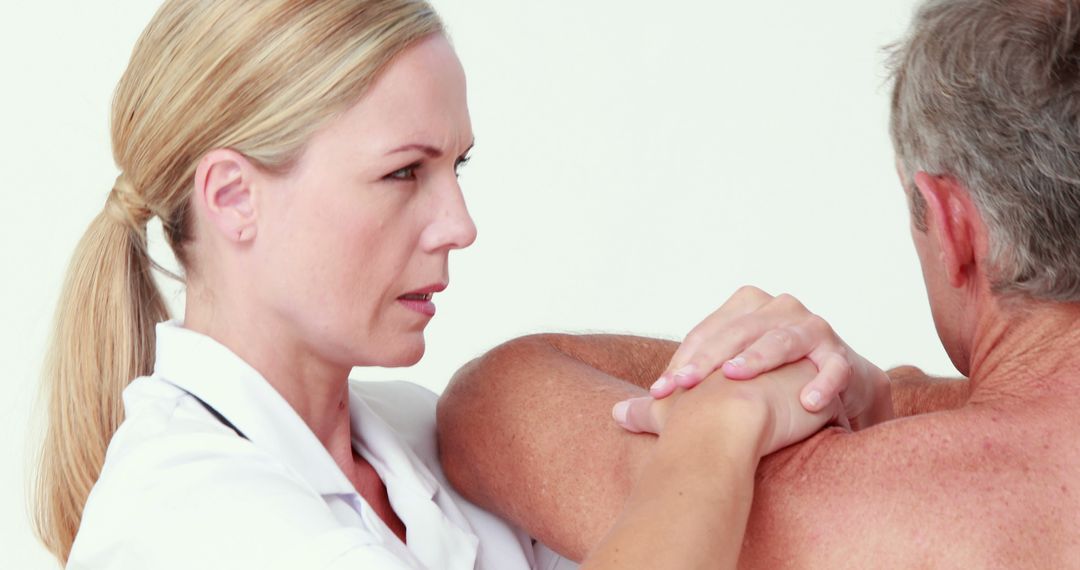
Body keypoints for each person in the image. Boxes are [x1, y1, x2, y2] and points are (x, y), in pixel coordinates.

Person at [33, 1, 846, 568]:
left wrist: (839, 395)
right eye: (402, 173)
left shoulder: (423, 438)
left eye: (455, 166)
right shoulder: (180, 518)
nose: (459, 224)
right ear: (234, 198)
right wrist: (718, 433)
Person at [436, 0, 1080, 566]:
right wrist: (908, 397)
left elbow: (492, 406)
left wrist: (755, 397)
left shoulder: (829, 507)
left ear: (953, 223)